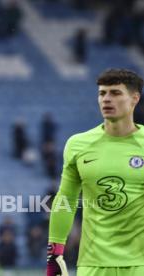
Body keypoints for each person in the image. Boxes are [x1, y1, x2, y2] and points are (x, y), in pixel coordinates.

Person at [47, 68, 144, 276]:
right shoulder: (78, 144)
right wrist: (55, 254)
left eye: (115, 93)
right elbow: (66, 199)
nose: (106, 99)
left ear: (135, 98)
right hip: (92, 265)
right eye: (102, 93)